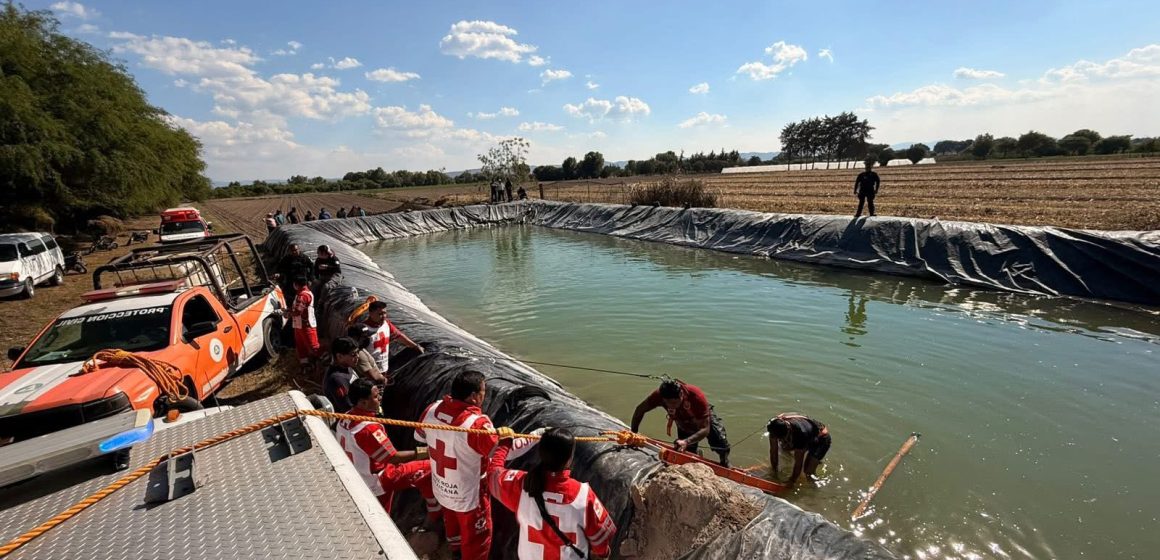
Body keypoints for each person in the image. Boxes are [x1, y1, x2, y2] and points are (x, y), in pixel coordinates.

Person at [488, 427, 617, 559]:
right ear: (569, 459)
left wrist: (504, 443)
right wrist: (604, 554)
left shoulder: (521, 484)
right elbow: (600, 541)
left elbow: (493, 474)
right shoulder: (582, 495)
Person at [415, 370, 498, 560]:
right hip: (469, 495)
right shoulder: (477, 424)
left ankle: (455, 552)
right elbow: (498, 452)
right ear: (474, 397)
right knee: (478, 539)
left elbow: (419, 436)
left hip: (443, 487)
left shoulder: (432, 409)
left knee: (452, 523)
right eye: (483, 392)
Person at [337, 378, 442, 519]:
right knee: (430, 466)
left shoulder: (344, 418)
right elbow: (393, 457)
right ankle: (434, 516)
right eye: (375, 397)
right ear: (363, 402)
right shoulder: (368, 429)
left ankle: (433, 511)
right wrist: (427, 453)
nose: (380, 398)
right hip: (376, 480)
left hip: (357, 477)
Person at [630, 379, 731, 467]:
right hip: (682, 420)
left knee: (721, 443)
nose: (671, 406)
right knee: (687, 454)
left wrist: (686, 441)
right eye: (667, 403)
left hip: (701, 417)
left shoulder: (696, 396)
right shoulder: (658, 396)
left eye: (674, 403)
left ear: (681, 395)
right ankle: (695, 454)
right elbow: (639, 410)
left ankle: (725, 462)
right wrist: (633, 433)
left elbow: (705, 429)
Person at [364, 300, 424, 383]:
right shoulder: (363, 330)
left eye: (385, 313)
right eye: (380, 314)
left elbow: (399, 336)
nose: (384, 316)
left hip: (383, 368)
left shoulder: (386, 324)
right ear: (371, 313)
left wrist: (415, 346)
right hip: (369, 372)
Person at [767, 413, 830, 488]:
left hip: (821, 439)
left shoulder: (800, 435)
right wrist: (774, 472)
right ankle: (813, 461)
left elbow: (798, 462)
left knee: (808, 472)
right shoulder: (774, 427)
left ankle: (814, 488)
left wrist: (791, 481)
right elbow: (773, 451)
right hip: (807, 431)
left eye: (781, 438)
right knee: (785, 448)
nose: (779, 440)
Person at [291, 276, 319, 373]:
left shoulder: (303, 295)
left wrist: (287, 313)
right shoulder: (301, 293)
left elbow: (298, 311)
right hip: (299, 325)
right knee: (301, 346)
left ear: (296, 285)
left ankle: (321, 365)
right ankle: (305, 366)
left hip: (306, 325)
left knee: (313, 347)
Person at [324, 337, 360, 412]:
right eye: (353, 354)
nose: (357, 356)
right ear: (339, 356)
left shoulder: (347, 367)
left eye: (357, 352)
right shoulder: (336, 379)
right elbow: (347, 407)